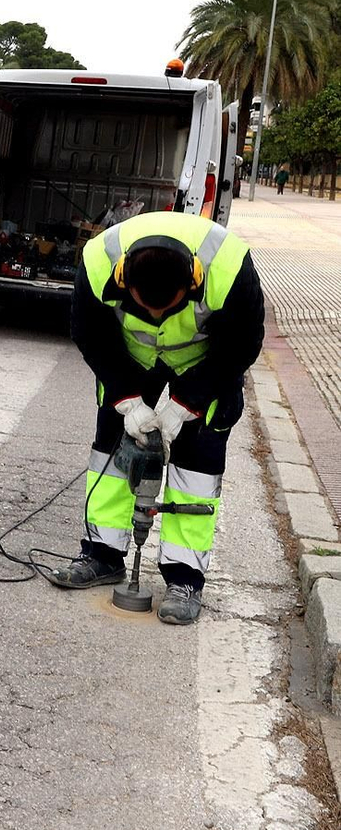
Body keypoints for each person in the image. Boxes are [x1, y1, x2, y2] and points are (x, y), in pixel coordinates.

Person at [50, 211, 265, 625]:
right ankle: (101, 554)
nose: (156, 319)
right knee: (113, 449)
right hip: (130, 358)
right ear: (124, 281)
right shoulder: (98, 262)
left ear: (193, 282)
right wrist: (128, 401)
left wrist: (186, 404)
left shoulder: (229, 267)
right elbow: (89, 334)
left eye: (167, 308)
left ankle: (185, 578)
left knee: (198, 463)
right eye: (145, 307)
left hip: (203, 361)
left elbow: (242, 344)